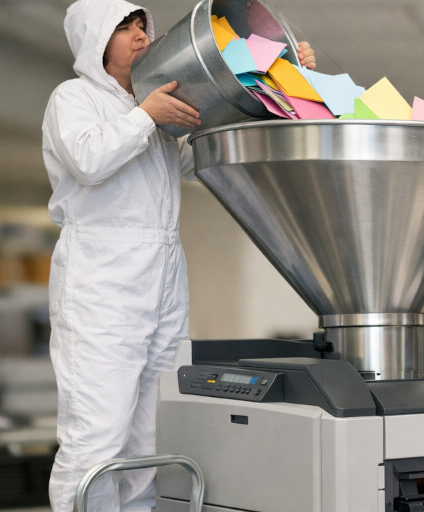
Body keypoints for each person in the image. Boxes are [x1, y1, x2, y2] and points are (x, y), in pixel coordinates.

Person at [42, 1, 315, 510]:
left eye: (141, 24)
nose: (141, 36)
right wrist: (146, 117)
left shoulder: (156, 107)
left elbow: (206, 160)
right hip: (100, 282)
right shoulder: (73, 98)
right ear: (93, 41)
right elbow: (88, 161)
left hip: (162, 275)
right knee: (98, 435)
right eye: (124, 28)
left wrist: (282, 79)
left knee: (154, 431)